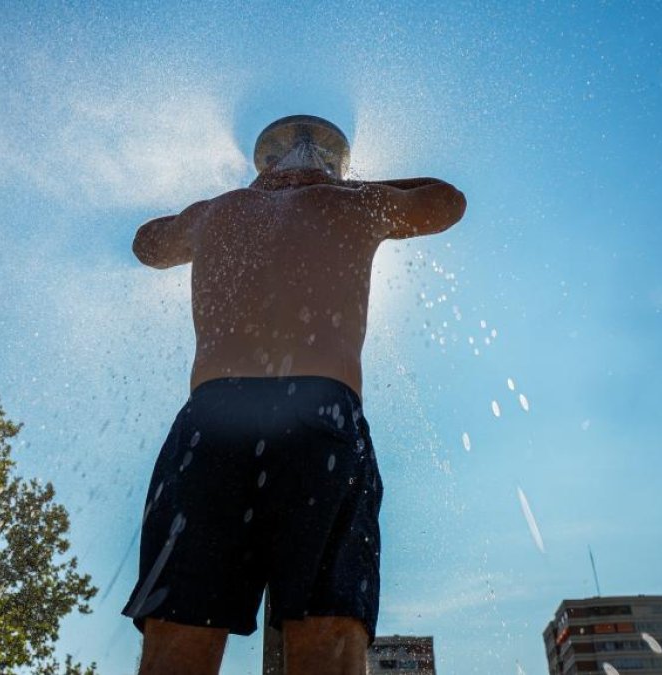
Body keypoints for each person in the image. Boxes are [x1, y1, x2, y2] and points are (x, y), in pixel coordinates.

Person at [123, 115, 466, 675]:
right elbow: (446, 202)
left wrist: (229, 200)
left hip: (215, 419)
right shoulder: (354, 202)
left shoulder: (217, 211)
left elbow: (148, 245)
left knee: (180, 627)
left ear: (263, 164)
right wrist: (348, 183)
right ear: (333, 164)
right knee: (326, 629)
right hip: (320, 418)